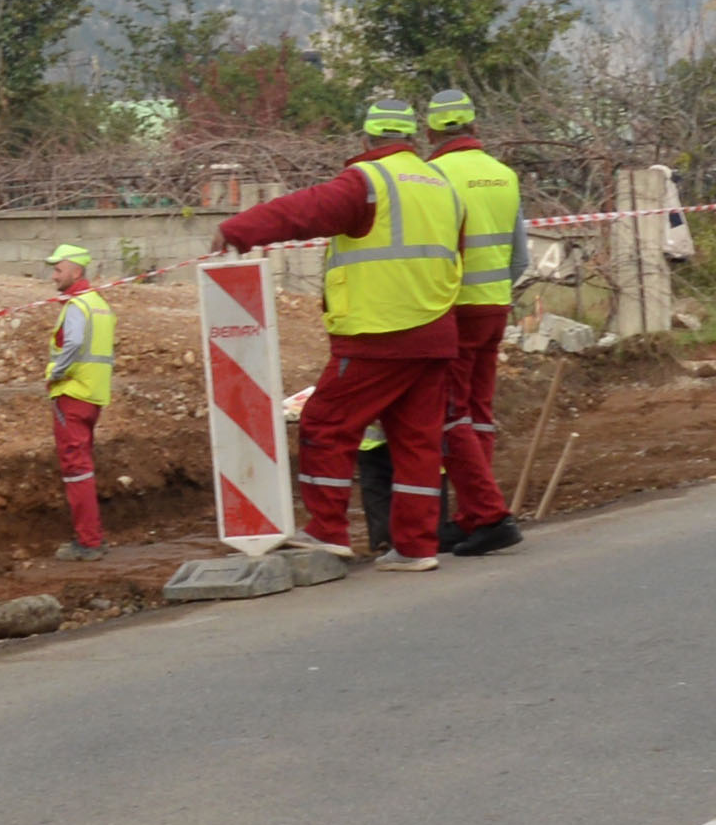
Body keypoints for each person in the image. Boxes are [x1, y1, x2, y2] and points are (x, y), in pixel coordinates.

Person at [208, 97, 466, 570]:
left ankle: (327, 530)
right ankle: (415, 547)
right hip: (434, 332)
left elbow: (303, 211)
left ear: (367, 138)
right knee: (418, 444)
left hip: (377, 333)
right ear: (413, 137)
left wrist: (239, 229)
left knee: (326, 424)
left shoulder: (367, 182)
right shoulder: (442, 185)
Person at [422, 87, 529, 556]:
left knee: (450, 416)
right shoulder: (504, 175)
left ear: (429, 132)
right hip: (495, 306)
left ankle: (489, 515)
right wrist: (495, 292)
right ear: (475, 126)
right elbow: (521, 258)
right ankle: (470, 516)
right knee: (478, 414)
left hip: (453, 312)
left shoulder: (432, 178)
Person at [40, 241, 117, 557]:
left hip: (71, 394)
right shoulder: (99, 304)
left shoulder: (77, 306)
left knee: (77, 469)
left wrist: (54, 374)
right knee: (82, 466)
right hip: (93, 395)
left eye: (58, 270)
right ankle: (92, 536)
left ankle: (88, 541)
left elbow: (72, 345)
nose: (54, 276)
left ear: (76, 272)